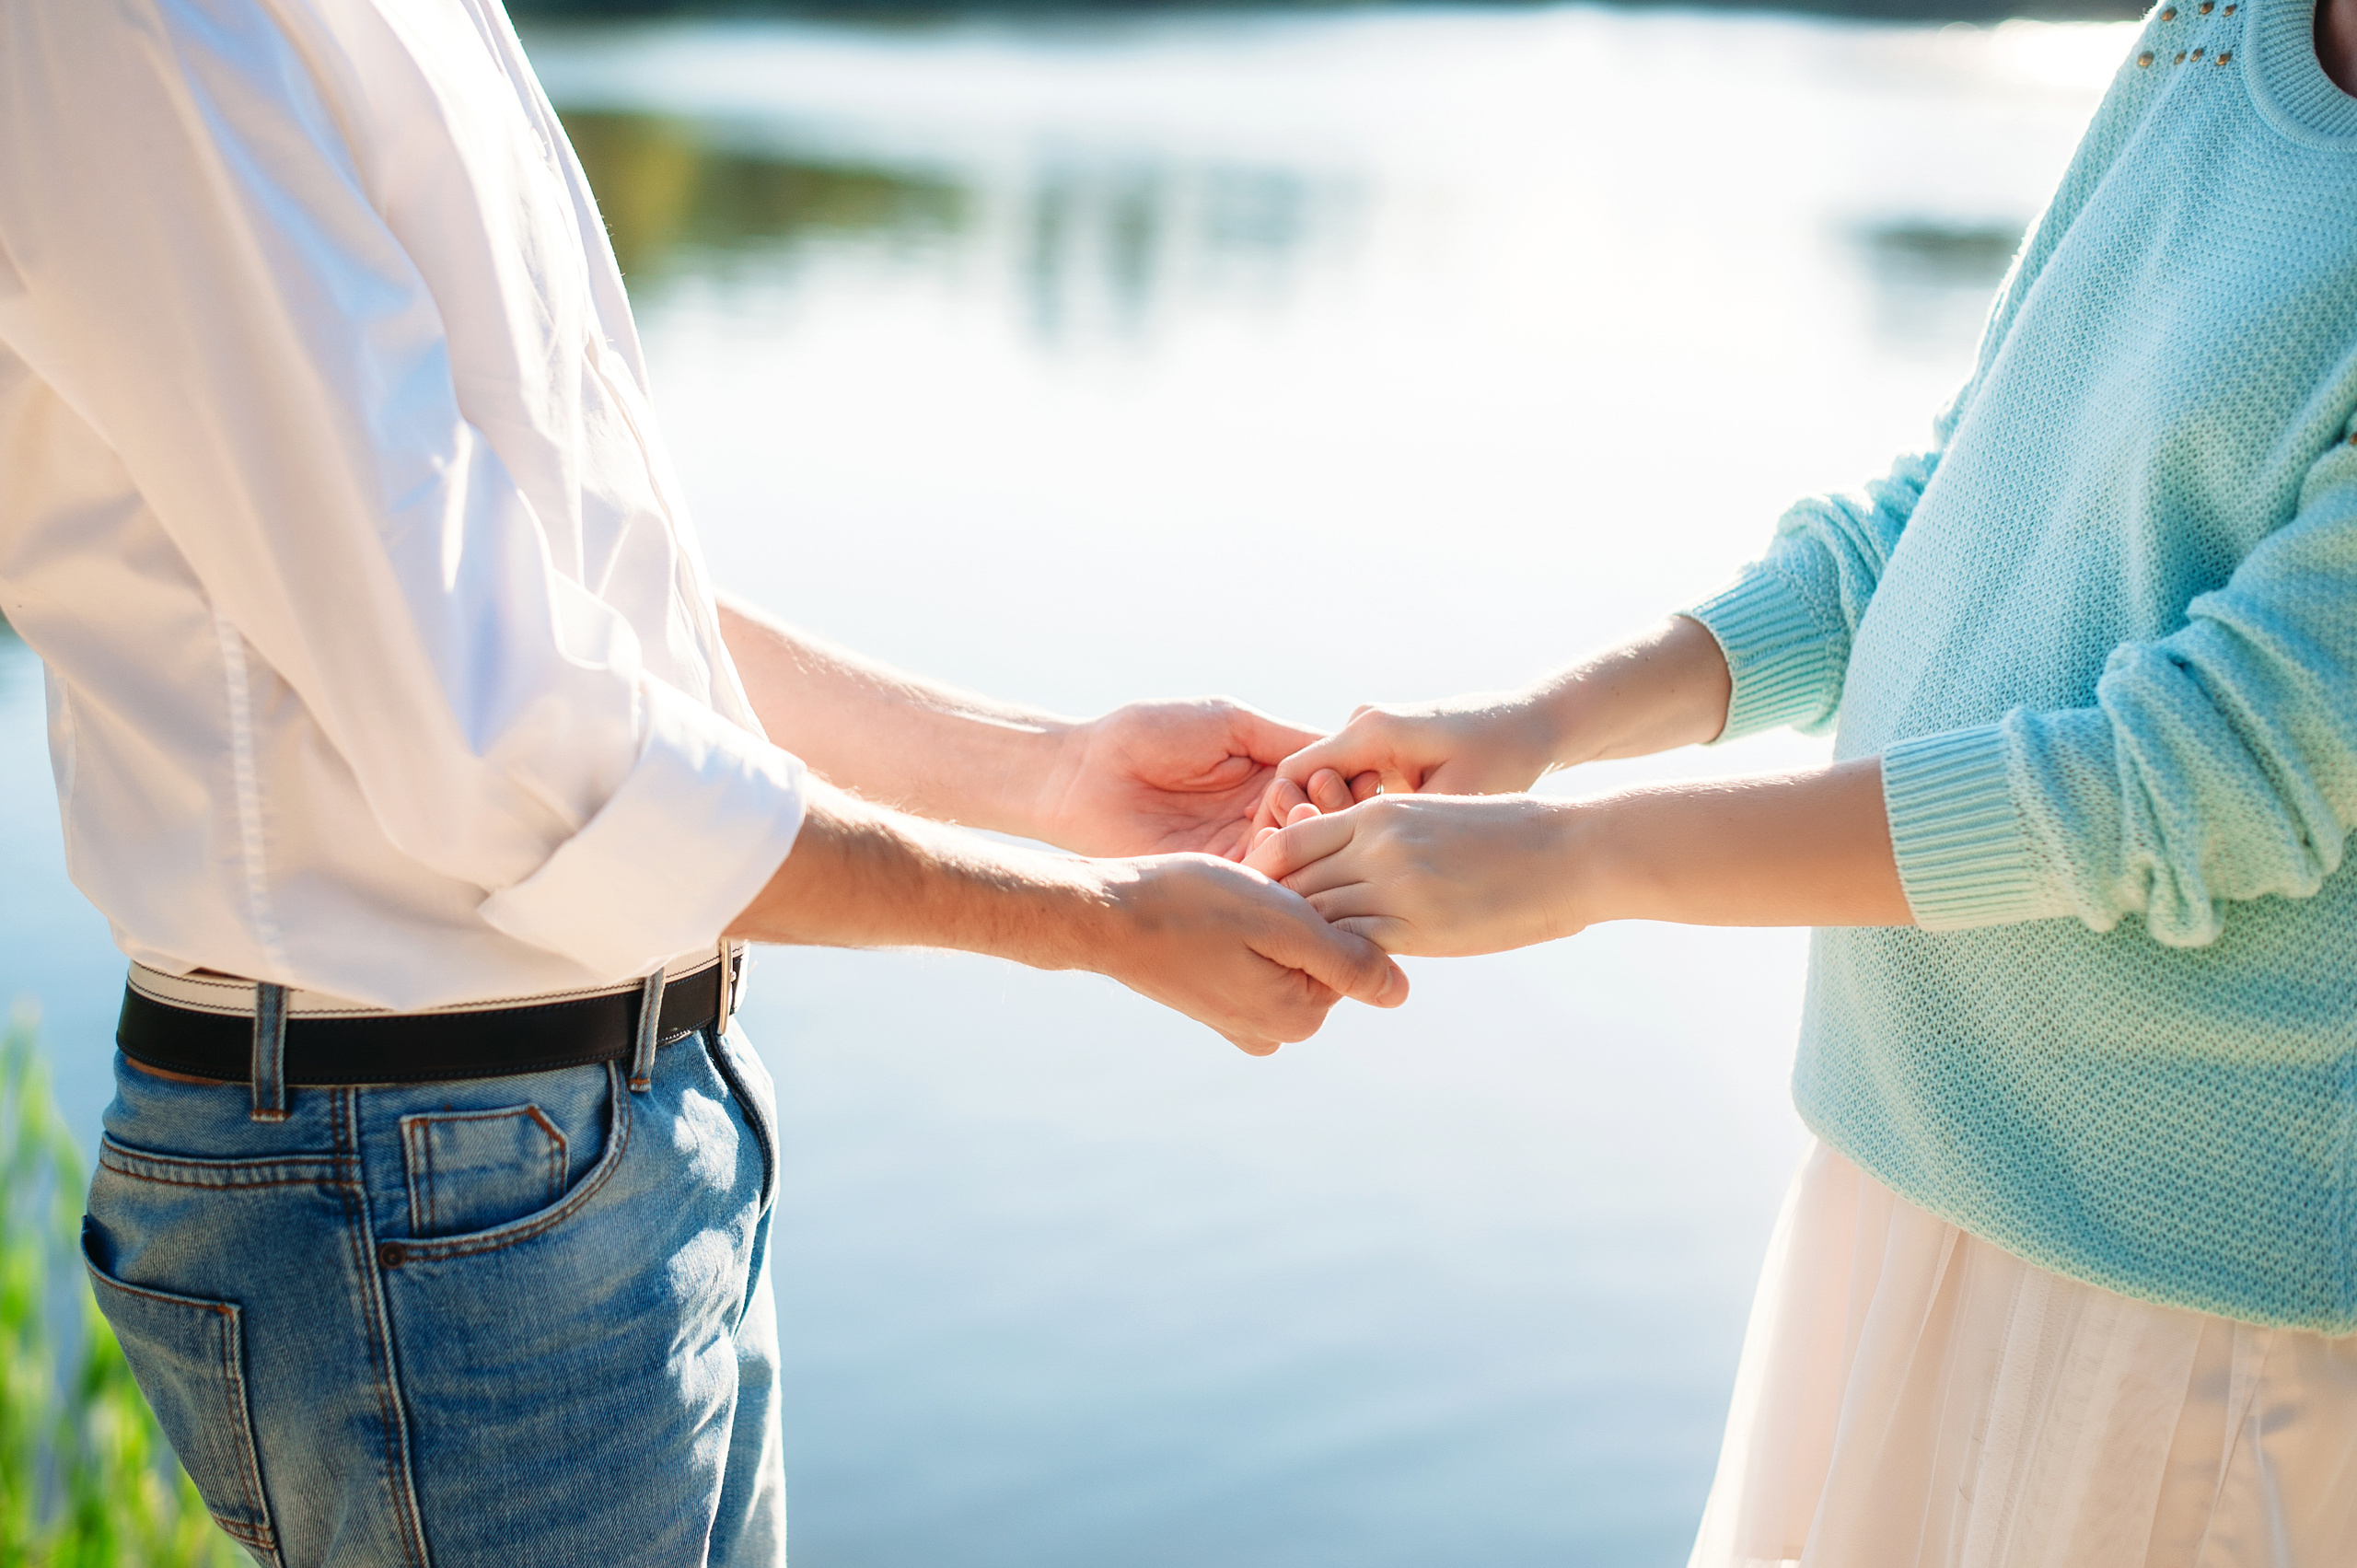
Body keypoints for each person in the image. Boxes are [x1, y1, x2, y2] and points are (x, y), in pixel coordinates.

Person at [0, 2, 1405, 1563]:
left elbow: (577, 611)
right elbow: (511, 730)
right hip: (422, 1192)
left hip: (595, 1136)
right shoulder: (131, 28)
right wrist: (1093, 922)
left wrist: (1056, 776)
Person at [1246, 0, 2357, 1559]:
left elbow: (2200, 775)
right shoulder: (2211, 37)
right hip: (1898, 1178)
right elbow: (1941, 510)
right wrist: (1541, 723)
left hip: (2177, 1303)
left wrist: (1581, 862)